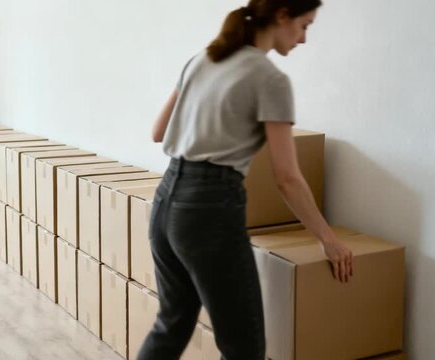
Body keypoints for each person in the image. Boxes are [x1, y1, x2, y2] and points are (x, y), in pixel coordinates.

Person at [137, 1, 354, 359]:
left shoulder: (202, 59)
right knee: (245, 347)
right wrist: (328, 240)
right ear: (282, 15)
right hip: (209, 212)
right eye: (304, 25)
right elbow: (287, 178)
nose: (303, 39)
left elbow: (159, 133)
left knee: (172, 322)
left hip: (166, 200)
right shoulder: (271, 80)